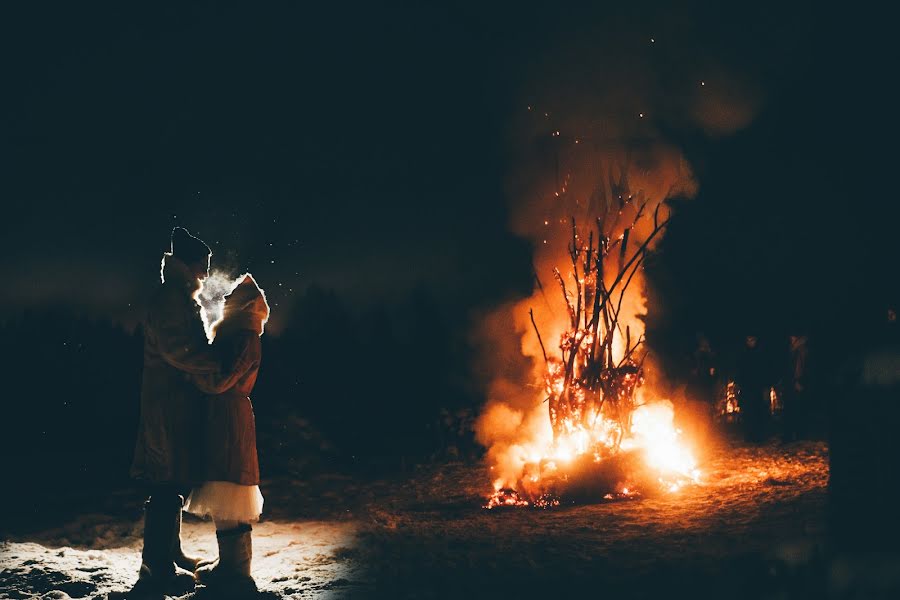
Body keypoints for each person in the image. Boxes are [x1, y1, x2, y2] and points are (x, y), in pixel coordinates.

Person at [125, 228, 217, 597]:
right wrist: (217, 362)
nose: (206, 274)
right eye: (202, 266)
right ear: (187, 265)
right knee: (165, 483)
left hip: (174, 404)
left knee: (173, 481)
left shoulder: (178, 297)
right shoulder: (170, 300)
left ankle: (169, 553)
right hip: (167, 407)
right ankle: (156, 566)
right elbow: (180, 350)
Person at [184, 274, 269, 592]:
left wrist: (196, 380)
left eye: (232, 299)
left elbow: (223, 379)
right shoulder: (242, 335)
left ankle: (236, 571)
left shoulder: (244, 337)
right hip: (226, 414)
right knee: (227, 489)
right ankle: (233, 565)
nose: (226, 303)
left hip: (228, 416)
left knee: (228, 486)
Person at [737, 335, 770, 442]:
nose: (750, 342)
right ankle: (750, 436)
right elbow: (741, 371)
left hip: (758, 388)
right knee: (748, 413)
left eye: (752, 340)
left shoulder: (761, 354)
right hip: (747, 388)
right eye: (748, 340)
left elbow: (765, 371)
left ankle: (759, 436)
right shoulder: (744, 355)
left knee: (758, 411)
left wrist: (765, 386)